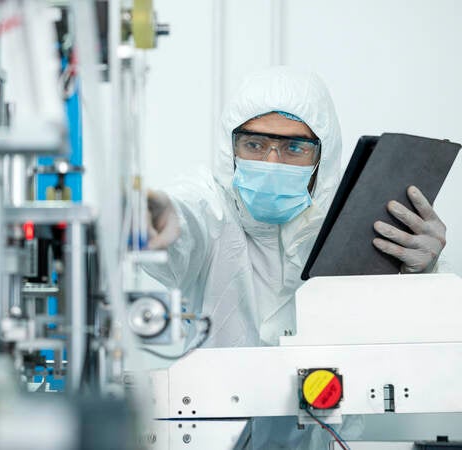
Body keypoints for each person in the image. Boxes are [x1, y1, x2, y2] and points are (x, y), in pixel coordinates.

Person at [144, 66, 447, 449]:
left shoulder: (361, 226)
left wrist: (426, 275)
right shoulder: (211, 209)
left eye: (294, 148)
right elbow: (184, 214)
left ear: (323, 154)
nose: (272, 162)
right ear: (230, 148)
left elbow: (422, 354)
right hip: (206, 436)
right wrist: (155, 215)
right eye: (254, 145)